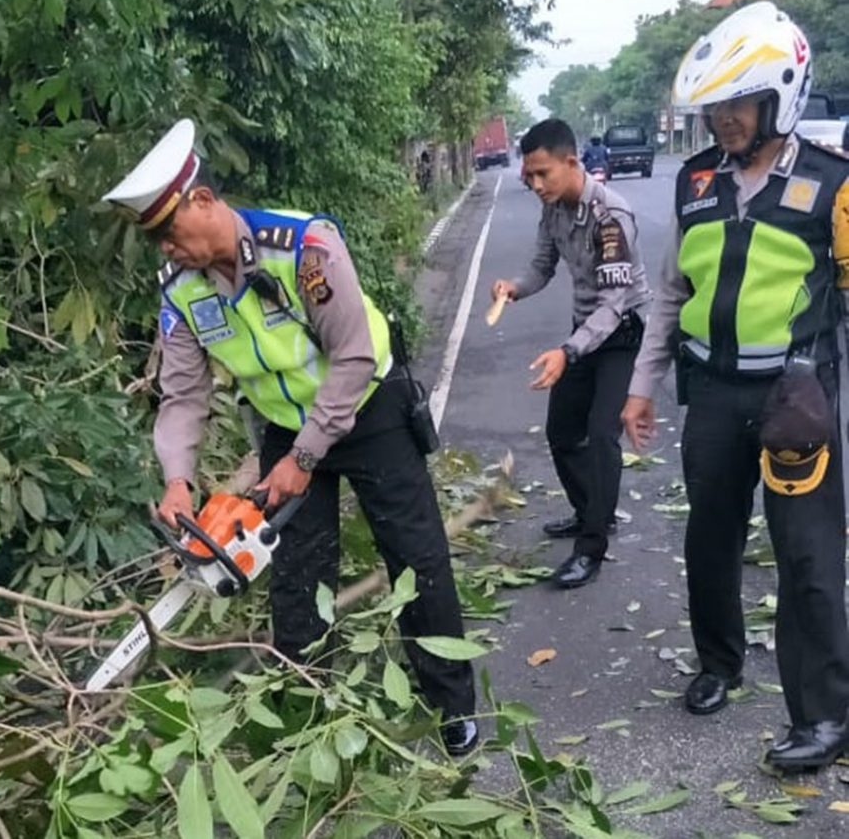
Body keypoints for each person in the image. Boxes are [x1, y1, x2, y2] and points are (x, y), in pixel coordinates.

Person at [102, 119, 478, 755]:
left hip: (366, 411)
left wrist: (307, 455)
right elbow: (184, 394)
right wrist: (177, 479)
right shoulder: (181, 293)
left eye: (169, 232)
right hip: (282, 425)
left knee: (415, 557)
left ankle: (451, 704)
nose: (165, 249)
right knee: (296, 575)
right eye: (154, 240)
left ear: (202, 201)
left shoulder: (304, 248)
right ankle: (307, 711)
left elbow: (355, 355)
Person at [621, 1, 849, 771]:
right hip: (712, 393)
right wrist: (642, 385)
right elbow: (668, 294)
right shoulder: (694, 182)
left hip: (796, 401)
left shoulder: (833, 187)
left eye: (738, 104)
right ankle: (720, 664)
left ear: (779, 95)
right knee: (709, 537)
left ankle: (821, 715)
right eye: (715, 107)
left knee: (808, 555)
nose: (723, 120)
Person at [493, 119, 649, 589]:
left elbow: (614, 304)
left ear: (572, 162)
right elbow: (543, 265)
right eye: (530, 177)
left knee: (602, 436)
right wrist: (514, 289)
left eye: (544, 174)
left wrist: (567, 351)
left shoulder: (610, 217)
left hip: (621, 332)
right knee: (562, 433)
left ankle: (591, 547)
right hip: (584, 332)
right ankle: (590, 513)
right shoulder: (554, 209)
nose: (536, 185)